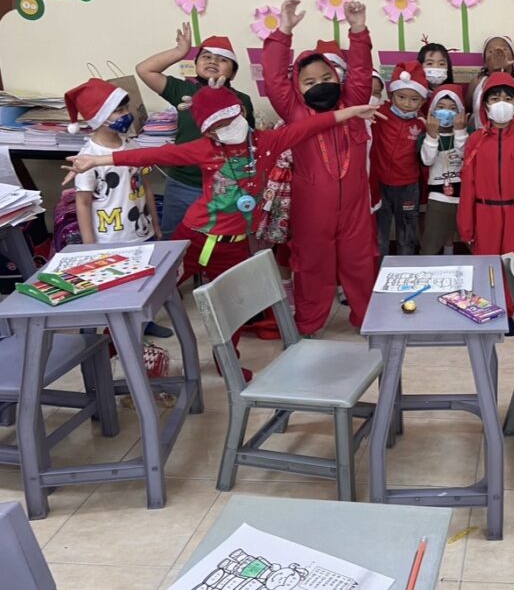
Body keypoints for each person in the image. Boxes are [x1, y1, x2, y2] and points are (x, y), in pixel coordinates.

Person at [64, 81, 382, 377]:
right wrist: (96, 161)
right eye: (217, 127)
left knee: (232, 307)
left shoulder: (269, 142)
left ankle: (227, 362)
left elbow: (313, 125)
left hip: (234, 246)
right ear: (208, 132)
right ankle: (110, 341)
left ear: (241, 113)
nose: (227, 129)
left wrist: (354, 111)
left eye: (229, 120)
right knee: (151, 290)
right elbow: (157, 154)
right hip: (193, 237)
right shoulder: (205, 149)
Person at [263, 0, 380, 333]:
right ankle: (309, 324)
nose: (320, 85)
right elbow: (273, 78)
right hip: (311, 211)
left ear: (337, 79)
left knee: (360, 265)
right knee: (312, 268)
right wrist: (282, 31)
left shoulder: (354, 104)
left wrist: (358, 29)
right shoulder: (295, 113)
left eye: (326, 77)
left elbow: (359, 70)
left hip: (355, 210)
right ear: (297, 90)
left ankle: (368, 319)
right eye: (309, 82)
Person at [66, 78, 170, 339]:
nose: (126, 115)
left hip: (141, 230)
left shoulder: (131, 146)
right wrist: (90, 247)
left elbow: (144, 185)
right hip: (110, 238)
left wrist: (155, 224)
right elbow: (83, 201)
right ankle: (118, 333)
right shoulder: (87, 157)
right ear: (98, 117)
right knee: (117, 289)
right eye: (118, 111)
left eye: (126, 109)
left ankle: (144, 323)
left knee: (144, 284)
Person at [136, 28, 255, 238]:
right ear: (196, 64)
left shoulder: (241, 100)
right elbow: (145, 70)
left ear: (233, 72)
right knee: (176, 241)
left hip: (225, 187)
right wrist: (179, 52)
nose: (213, 61)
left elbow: (250, 143)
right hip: (183, 183)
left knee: (221, 242)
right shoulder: (185, 91)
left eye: (222, 60)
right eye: (206, 57)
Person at [458, 73, 514, 283]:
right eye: (494, 99)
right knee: (485, 268)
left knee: (513, 267)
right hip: (484, 213)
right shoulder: (476, 140)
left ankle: (511, 311)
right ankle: (486, 310)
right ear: (485, 105)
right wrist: (466, 225)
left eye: (508, 99)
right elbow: (468, 185)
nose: (501, 104)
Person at [373, 61, 428, 257]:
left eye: (414, 99)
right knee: (380, 235)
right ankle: (378, 275)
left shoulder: (421, 123)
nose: (406, 103)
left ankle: (407, 272)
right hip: (380, 184)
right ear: (391, 95)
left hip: (408, 187)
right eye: (401, 97)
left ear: (422, 101)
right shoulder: (380, 114)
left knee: (407, 235)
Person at [419, 85, 469, 255]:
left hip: (465, 197)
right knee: (431, 243)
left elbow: (466, 157)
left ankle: (451, 256)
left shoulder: (467, 134)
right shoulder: (426, 136)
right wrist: (431, 135)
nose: (446, 113)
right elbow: (427, 160)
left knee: (471, 239)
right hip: (438, 197)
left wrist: (461, 131)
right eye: (440, 108)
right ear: (432, 111)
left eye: (452, 108)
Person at [466, 35, 514, 128]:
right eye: (491, 51)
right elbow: (468, 108)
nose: (498, 53)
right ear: (485, 61)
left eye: (504, 49)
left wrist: (500, 71)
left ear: (513, 56)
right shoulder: (477, 82)